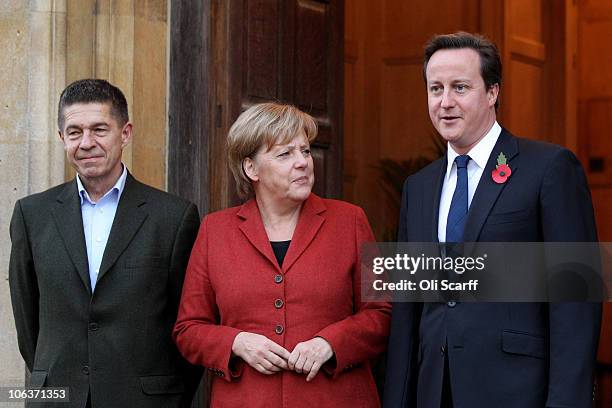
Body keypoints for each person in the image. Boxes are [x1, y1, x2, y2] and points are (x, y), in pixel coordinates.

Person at [383, 32, 602, 408]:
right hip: (434, 393)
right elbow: (408, 310)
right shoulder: (418, 188)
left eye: (460, 87)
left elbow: (576, 302)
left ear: (492, 93)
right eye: (435, 89)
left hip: (518, 393)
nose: (445, 102)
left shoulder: (549, 169)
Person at [173, 102, 391, 407]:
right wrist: (237, 343)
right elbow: (188, 329)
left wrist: (330, 343)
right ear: (251, 168)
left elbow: (382, 313)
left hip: (335, 398)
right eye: (284, 154)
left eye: (304, 150)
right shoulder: (215, 230)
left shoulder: (351, 220)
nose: (302, 162)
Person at [9, 79, 202, 407]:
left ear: (125, 133)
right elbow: (28, 321)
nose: (86, 142)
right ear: (61, 138)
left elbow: (188, 322)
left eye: (99, 129)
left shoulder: (173, 217)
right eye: (74, 132)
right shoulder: (32, 214)